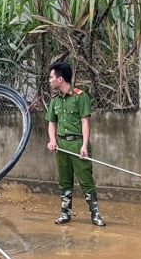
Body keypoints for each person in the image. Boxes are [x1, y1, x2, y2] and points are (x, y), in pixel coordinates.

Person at [45, 61, 104, 227]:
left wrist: (84, 145)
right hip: (61, 146)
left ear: (61, 79)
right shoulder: (55, 101)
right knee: (64, 180)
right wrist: (52, 140)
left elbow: (85, 122)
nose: (49, 80)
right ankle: (65, 213)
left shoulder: (80, 97)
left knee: (86, 180)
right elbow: (51, 123)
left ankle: (95, 214)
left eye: (51, 77)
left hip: (77, 144)